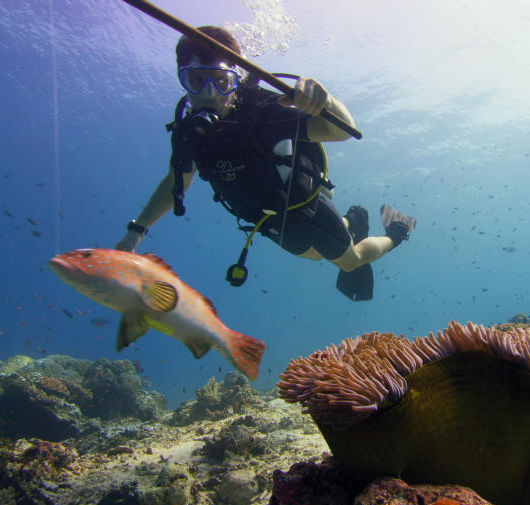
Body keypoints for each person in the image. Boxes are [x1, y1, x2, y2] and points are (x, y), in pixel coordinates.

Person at [115, 25, 415, 301]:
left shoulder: (262, 111)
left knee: (349, 262)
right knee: (313, 256)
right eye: (196, 81)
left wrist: (326, 102)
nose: (209, 94)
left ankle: (396, 234)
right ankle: (352, 220)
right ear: (183, 79)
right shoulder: (188, 132)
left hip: (304, 206)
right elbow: (174, 183)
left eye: (221, 81)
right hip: (265, 218)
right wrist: (136, 230)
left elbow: (342, 131)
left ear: (235, 79)